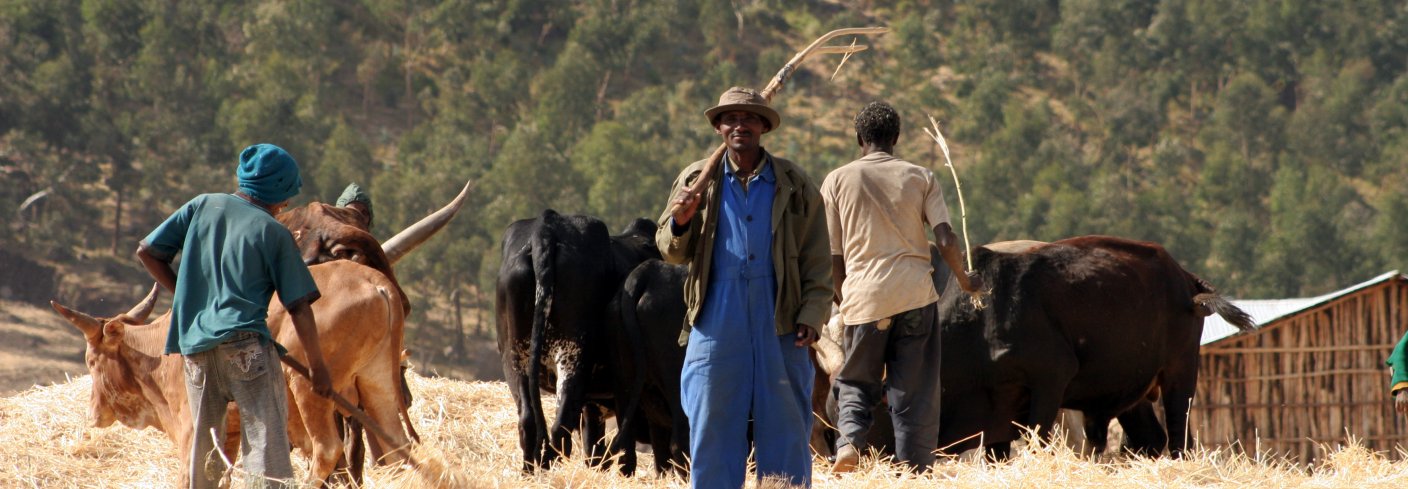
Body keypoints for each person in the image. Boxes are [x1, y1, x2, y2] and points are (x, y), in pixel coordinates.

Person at [657, 86, 833, 488]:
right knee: (712, 428)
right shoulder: (695, 181)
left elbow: (817, 260)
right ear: (719, 127)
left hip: (781, 323)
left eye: (750, 118)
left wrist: (812, 315)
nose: (740, 125)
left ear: (764, 127)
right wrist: (682, 220)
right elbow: (669, 251)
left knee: (786, 430)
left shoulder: (794, 183)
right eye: (731, 118)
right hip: (717, 321)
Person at [136, 143, 333, 489]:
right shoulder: (273, 232)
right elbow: (299, 306)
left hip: (195, 348)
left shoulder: (202, 205)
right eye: (286, 196)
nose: (285, 205)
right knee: (265, 448)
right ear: (278, 191)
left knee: (206, 448)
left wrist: (186, 295)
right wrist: (318, 368)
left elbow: (148, 251)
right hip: (247, 350)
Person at [820, 101, 983, 473]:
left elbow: (832, 255)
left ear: (859, 138)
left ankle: (848, 442)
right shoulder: (921, 176)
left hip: (864, 298)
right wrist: (965, 280)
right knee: (914, 393)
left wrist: (846, 299)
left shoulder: (837, 180)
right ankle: (914, 468)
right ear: (895, 138)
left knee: (856, 381)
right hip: (915, 296)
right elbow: (944, 239)